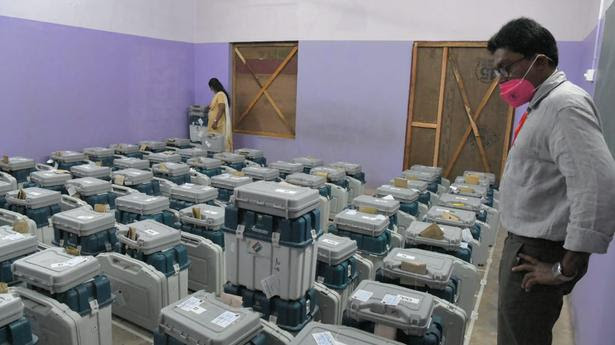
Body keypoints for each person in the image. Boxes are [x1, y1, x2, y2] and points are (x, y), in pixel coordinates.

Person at [488, 17, 615, 345]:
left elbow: (599, 185)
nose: (502, 80)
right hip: (525, 243)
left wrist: (565, 267)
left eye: (507, 68)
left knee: (521, 336)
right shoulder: (543, 105)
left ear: (539, 62)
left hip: (538, 252)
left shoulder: (565, 106)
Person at [206, 78, 233, 152]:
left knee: (218, 145)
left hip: (217, 125)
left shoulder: (220, 94)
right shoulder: (217, 95)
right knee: (213, 145)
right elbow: (216, 107)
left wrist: (215, 121)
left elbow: (221, 108)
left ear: (212, 87)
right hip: (214, 125)